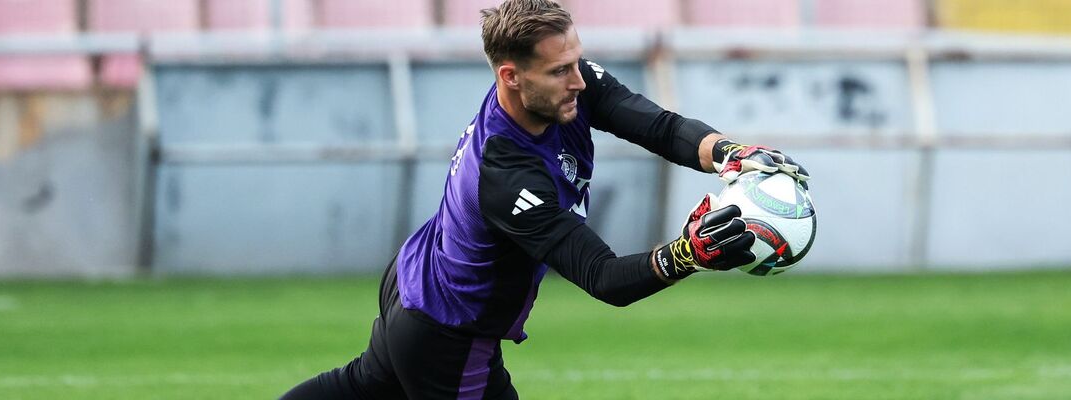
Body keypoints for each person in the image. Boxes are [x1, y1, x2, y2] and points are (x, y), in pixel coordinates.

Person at [282, 0, 809, 398]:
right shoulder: (508, 173)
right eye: (561, 71)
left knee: (360, 387)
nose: (580, 80)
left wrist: (731, 155)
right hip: (450, 332)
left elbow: (660, 127)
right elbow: (603, 278)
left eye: (577, 61)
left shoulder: (562, 87)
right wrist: (686, 254)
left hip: (417, 278)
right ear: (510, 77)